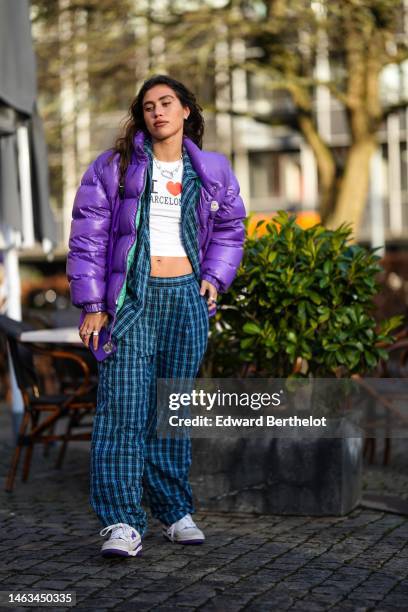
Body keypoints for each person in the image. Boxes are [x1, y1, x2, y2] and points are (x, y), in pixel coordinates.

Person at [66, 74, 246, 558]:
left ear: (186, 110)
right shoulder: (114, 167)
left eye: (167, 103)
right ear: (141, 116)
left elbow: (232, 226)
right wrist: (94, 305)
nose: (158, 112)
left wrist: (215, 276)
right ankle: (122, 521)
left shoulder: (211, 169)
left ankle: (172, 510)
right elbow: (88, 238)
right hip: (133, 299)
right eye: (148, 106)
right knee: (123, 410)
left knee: (173, 410)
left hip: (186, 297)